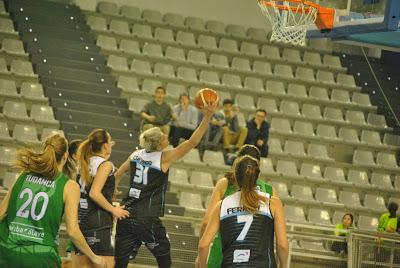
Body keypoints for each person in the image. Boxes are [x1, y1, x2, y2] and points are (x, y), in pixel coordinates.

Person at [113, 93, 218, 268]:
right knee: (164, 257)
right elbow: (192, 142)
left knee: (120, 263)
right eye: (164, 137)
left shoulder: (135, 154)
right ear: (159, 144)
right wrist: (207, 116)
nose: (167, 138)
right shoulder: (163, 158)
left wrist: (114, 191)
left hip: (126, 213)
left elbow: (117, 175)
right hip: (147, 217)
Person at [0, 134, 106, 268]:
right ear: (66, 156)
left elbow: (1, 212)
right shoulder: (70, 186)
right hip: (40, 256)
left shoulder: (24, 174)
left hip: (6, 250)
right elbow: (72, 231)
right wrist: (94, 257)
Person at [198, 155, 288, 268]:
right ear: (257, 176)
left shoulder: (222, 205)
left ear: (235, 176)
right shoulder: (272, 203)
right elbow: (282, 245)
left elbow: (203, 245)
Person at [74, 129, 130, 268]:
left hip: (82, 221)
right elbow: (95, 193)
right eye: (109, 142)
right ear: (105, 145)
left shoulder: (85, 163)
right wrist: (113, 210)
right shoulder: (105, 165)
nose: (112, 144)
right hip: (98, 223)